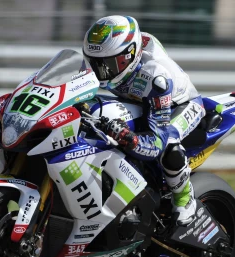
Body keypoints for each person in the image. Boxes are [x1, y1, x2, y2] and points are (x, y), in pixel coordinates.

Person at [82, 15, 205, 225]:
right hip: (137, 100)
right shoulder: (102, 59)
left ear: (130, 54)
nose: (101, 71)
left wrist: (128, 137)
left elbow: (156, 142)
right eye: (96, 64)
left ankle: (185, 200)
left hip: (179, 104)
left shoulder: (156, 76)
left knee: (170, 146)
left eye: (109, 64)